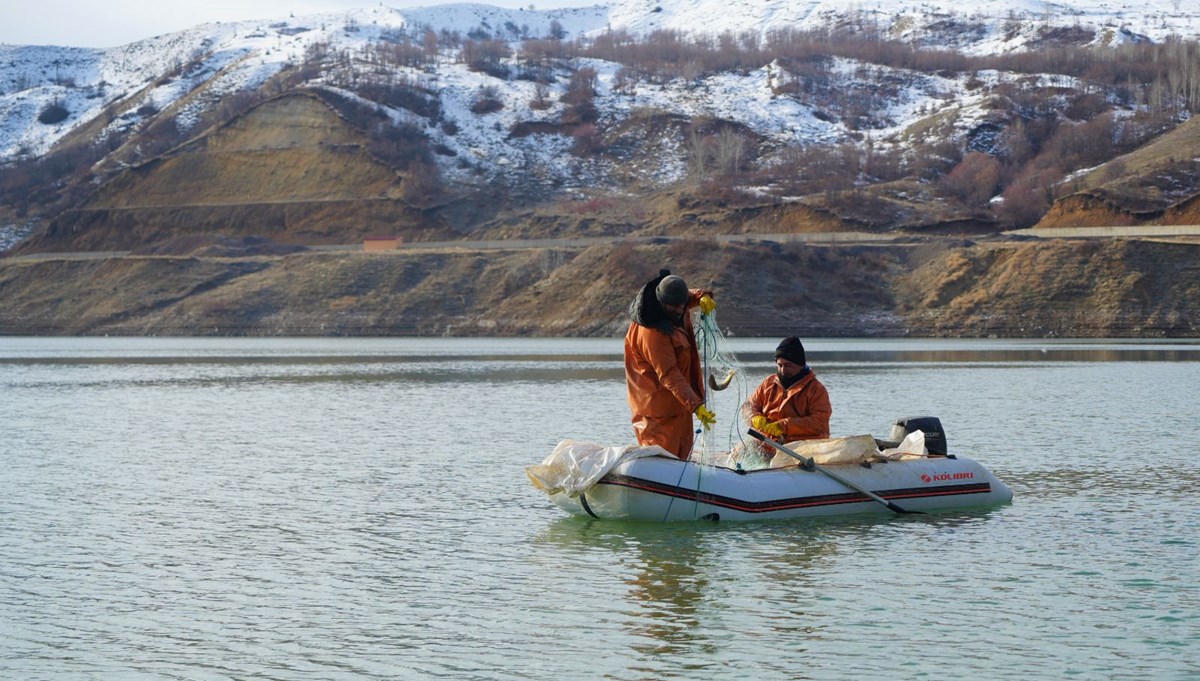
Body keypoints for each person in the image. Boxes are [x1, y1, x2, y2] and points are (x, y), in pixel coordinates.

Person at [624, 269, 717, 459]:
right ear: (660, 301)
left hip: (679, 406)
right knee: (662, 460)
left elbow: (687, 295)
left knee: (682, 460)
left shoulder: (677, 305)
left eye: (681, 305)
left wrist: (701, 297)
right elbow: (669, 374)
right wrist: (696, 405)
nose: (678, 310)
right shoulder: (652, 333)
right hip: (656, 412)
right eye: (672, 306)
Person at [743, 336, 831, 450]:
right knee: (741, 451)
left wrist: (784, 426)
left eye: (788, 365)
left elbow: (820, 422)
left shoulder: (816, 389)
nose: (783, 370)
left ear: (800, 365)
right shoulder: (768, 383)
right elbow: (748, 405)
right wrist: (754, 417)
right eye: (780, 365)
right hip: (768, 442)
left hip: (803, 447)